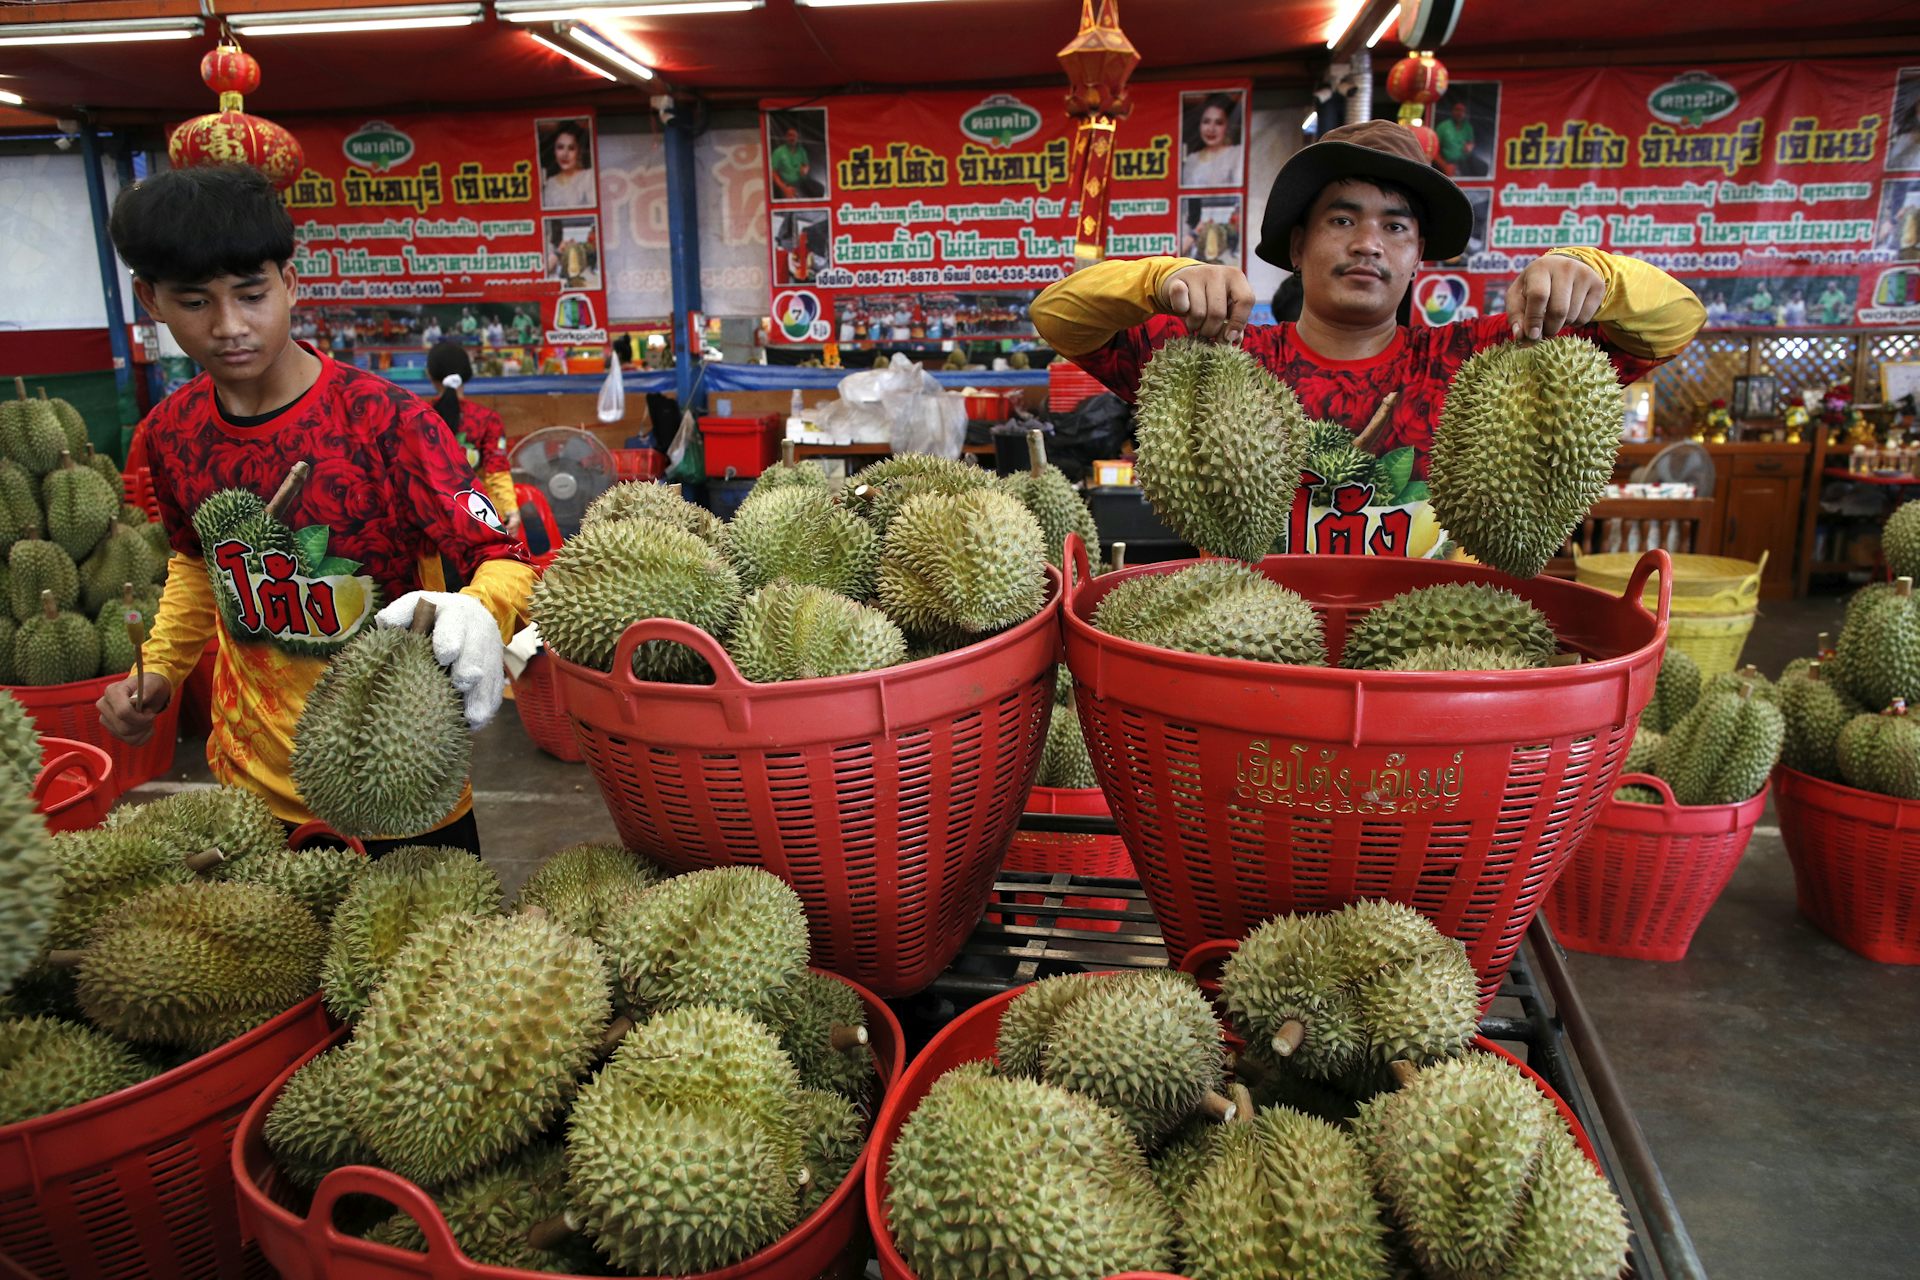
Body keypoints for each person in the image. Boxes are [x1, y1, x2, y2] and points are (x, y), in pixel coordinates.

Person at [96, 164, 532, 857]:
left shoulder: (389, 423)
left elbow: (501, 555)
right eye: (195, 302)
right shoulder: (170, 433)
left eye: (251, 294)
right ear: (152, 300)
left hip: (403, 788)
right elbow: (195, 564)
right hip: (252, 790)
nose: (230, 326)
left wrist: (478, 608)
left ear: (290, 282)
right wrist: (159, 670)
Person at [1030, 120, 1704, 557]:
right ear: (1298, 246)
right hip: (1249, 644)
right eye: (1342, 219)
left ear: (1418, 259)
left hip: (1420, 653)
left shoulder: (1480, 360)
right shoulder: (1220, 360)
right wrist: (1161, 277)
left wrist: (1596, 276)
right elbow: (1058, 317)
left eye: (1396, 228)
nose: (1367, 245)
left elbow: (1676, 324)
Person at [1182, 94, 1243, 188]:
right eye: (1206, 121)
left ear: (1228, 126)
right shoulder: (1191, 159)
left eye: (1218, 123)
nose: (1211, 129)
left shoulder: (1237, 153)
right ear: (1200, 125)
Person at [540, 119, 596, 210]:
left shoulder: (589, 176)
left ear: (578, 151)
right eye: (560, 147)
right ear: (554, 151)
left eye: (571, 148)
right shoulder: (550, 183)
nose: (565, 154)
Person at [770, 123, 824, 200]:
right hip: (785, 185)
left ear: (797, 138)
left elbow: (806, 165)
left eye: (794, 136)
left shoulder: (802, 151)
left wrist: (805, 169)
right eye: (790, 135)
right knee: (790, 200)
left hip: (801, 183)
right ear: (786, 137)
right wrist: (784, 188)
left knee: (820, 189)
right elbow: (773, 173)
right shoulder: (778, 152)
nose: (792, 138)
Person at [1436, 101, 1487, 179]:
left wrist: (1470, 146)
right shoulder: (1443, 127)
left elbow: (1471, 142)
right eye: (1457, 110)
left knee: (1483, 166)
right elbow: (1435, 150)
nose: (1459, 113)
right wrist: (1444, 165)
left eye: (1462, 111)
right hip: (1447, 161)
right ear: (1452, 111)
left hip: (1464, 160)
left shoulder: (1467, 127)